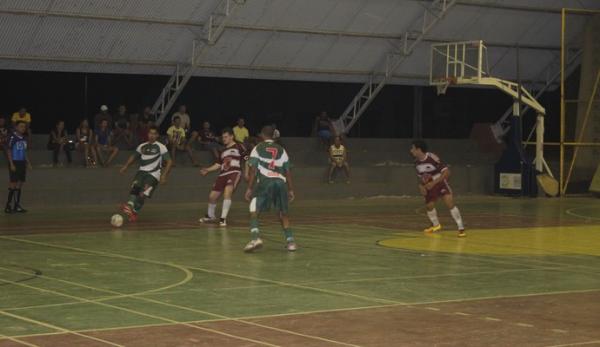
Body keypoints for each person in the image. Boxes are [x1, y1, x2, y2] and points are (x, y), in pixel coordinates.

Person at [243, 125, 297, 252]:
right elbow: (287, 171)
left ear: (262, 135)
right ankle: (291, 242)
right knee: (283, 213)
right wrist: (291, 189)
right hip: (280, 182)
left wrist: (249, 188)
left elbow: (253, 170)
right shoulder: (281, 150)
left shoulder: (258, 148)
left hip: (266, 181)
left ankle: (256, 238)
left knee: (253, 208)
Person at [410, 140, 466, 237]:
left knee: (449, 203)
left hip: (439, 183)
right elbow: (420, 177)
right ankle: (436, 225)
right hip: (429, 185)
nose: (411, 151)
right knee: (429, 206)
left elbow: (447, 172)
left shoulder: (432, 158)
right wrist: (421, 186)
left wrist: (434, 182)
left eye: (413, 148)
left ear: (419, 150)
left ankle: (461, 228)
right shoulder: (416, 162)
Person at [119, 126, 173, 222]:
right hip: (141, 172)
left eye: (154, 134)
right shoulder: (142, 146)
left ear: (157, 135)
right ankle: (129, 206)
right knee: (135, 188)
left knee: (142, 195)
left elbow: (169, 161)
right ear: (147, 134)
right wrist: (125, 166)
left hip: (153, 174)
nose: (151, 135)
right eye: (150, 133)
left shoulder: (161, 147)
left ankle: (134, 212)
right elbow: (134, 156)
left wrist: (164, 175)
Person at [199, 128, 248, 226]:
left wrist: (246, 173)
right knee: (212, 197)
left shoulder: (239, 146)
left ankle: (223, 218)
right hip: (222, 174)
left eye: (226, 137)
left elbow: (247, 160)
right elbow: (217, 164)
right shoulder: (223, 150)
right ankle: (210, 215)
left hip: (234, 172)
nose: (224, 139)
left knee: (227, 192)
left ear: (231, 136)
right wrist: (207, 170)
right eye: (223, 137)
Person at [5, 121, 32, 213]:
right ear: (16, 127)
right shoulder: (13, 137)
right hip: (15, 162)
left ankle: (17, 205)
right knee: (13, 183)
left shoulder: (24, 138)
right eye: (21, 126)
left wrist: (28, 162)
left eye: (24, 127)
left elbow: (24, 151)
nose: (23, 128)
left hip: (22, 162)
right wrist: (11, 163)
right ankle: (8, 205)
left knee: (20, 183)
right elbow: (8, 150)